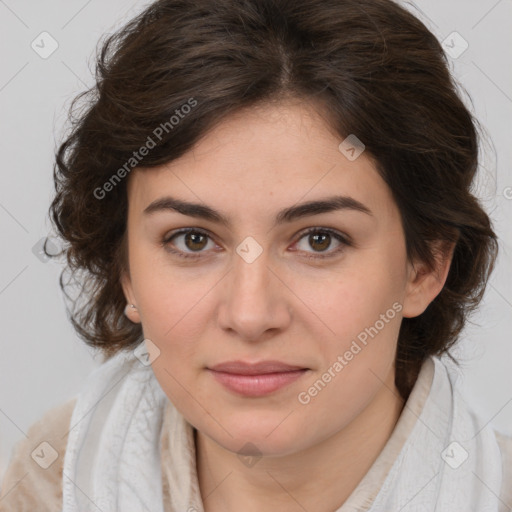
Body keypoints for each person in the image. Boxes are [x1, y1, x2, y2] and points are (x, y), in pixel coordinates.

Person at [1, 0, 510, 510]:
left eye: (319, 240)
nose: (250, 315)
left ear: (424, 267)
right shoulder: (55, 480)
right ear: (126, 271)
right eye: (192, 240)